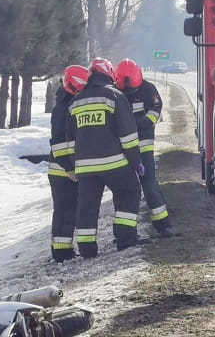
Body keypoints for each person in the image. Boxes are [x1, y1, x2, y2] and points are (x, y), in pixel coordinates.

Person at [60, 57, 143, 258]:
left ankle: (87, 249)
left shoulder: (75, 102)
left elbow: (70, 140)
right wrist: (135, 161)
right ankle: (125, 238)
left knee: (87, 206)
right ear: (109, 74)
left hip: (85, 167)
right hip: (114, 162)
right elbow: (128, 135)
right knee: (129, 191)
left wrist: (74, 165)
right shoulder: (115, 96)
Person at [115, 59, 174, 237]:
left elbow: (153, 114)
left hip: (143, 145)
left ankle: (163, 225)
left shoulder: (148, 89)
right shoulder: (114, 91)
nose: (129, 92)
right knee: (125, 188)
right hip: (122, 147)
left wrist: (130, 124)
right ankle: (125, 231)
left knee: (149, 182)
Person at [48, 65, 89, 262]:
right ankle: (60, 252)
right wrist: (69, 168)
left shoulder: (69, 104)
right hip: (61, 170)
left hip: (69, 168)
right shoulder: (62, 109)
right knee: (64, 210)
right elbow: (57, 142)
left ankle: (64, 249)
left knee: (69, 210)